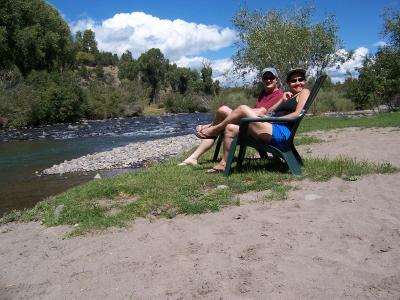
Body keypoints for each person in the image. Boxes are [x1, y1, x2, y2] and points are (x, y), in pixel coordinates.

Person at [196, 68, 310, 173]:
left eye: (300, 79)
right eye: (293, 81)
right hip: (271, 127)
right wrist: (282, 100)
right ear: (289, 84)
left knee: (243, 109)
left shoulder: (304, 92)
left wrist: (271, 120)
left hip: (280, 132)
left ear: (304, 81)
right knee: (230, 128)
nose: (298, 83)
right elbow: (270, 111)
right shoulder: (289, 96)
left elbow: (297, 114)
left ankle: (214, 130)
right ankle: (224, 164)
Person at [178, 67, 284, 166]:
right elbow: (256, 111)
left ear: (277, 80)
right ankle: (196, 153)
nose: (268, 80)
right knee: (222, 110)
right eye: (265, 78)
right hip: (253, 123)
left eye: (271, 78)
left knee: (224, 110)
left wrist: (242, 112)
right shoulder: (264, 93)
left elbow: (261, 112)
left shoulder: (279, 95)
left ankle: (211, 130)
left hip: (260, 129)